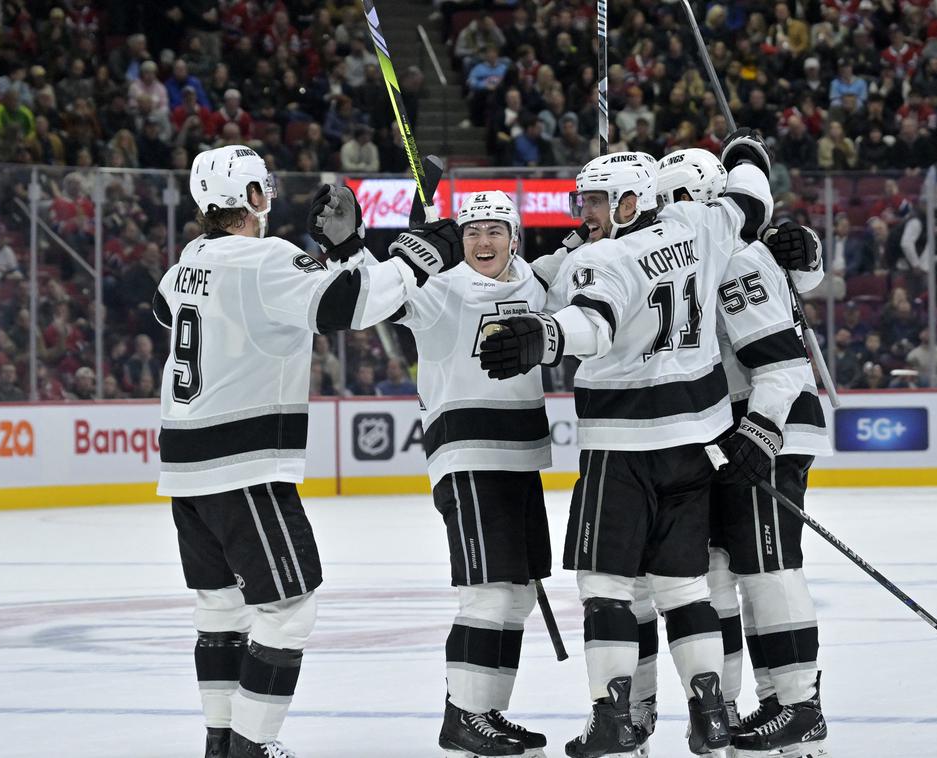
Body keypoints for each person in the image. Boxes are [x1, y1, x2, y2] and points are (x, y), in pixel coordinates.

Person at [476, 134, 784, 757]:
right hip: (696, 445)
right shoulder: (701, 225)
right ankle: (712, 711)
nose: (581, 213)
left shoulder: (602, 261)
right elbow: (751, 198)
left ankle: (615, 715)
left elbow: (592, 322)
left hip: (622, 449)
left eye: (593, 201)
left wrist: (543, 336)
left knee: (605, 585)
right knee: (683, 589)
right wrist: (747, 153)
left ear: (627, 201)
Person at [153, 145, 451, 758]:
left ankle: (220, 741)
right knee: (289, 609)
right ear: (256, 197)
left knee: (221, 607)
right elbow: (354, 305)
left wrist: (341, 256)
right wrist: (419, 255)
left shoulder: (185, 262)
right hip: (244, 465)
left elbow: (175, 310)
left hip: (185, 467)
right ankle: (250, 746)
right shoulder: (267, 259)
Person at [320, 189, 560, 757]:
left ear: (515, 237)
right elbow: (380, 299)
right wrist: (349, 248)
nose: (483, 241)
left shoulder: (537, 282)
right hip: (468, 456)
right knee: (488, 595)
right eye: (473, 231)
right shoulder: (441, 289)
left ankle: (485, 712)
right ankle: (465, 718)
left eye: (495, 230)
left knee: (517, 596)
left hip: (522, 458)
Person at [657, 148, 834, 758]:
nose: (667, 215)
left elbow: (781, 364)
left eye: (677, 200)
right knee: (722, 572)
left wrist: (761, 431)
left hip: (767, 430)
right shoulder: (701, 260)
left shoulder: (733, 258)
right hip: (732, 431)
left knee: (768, 567)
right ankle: (736, 707)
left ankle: (797, 704)